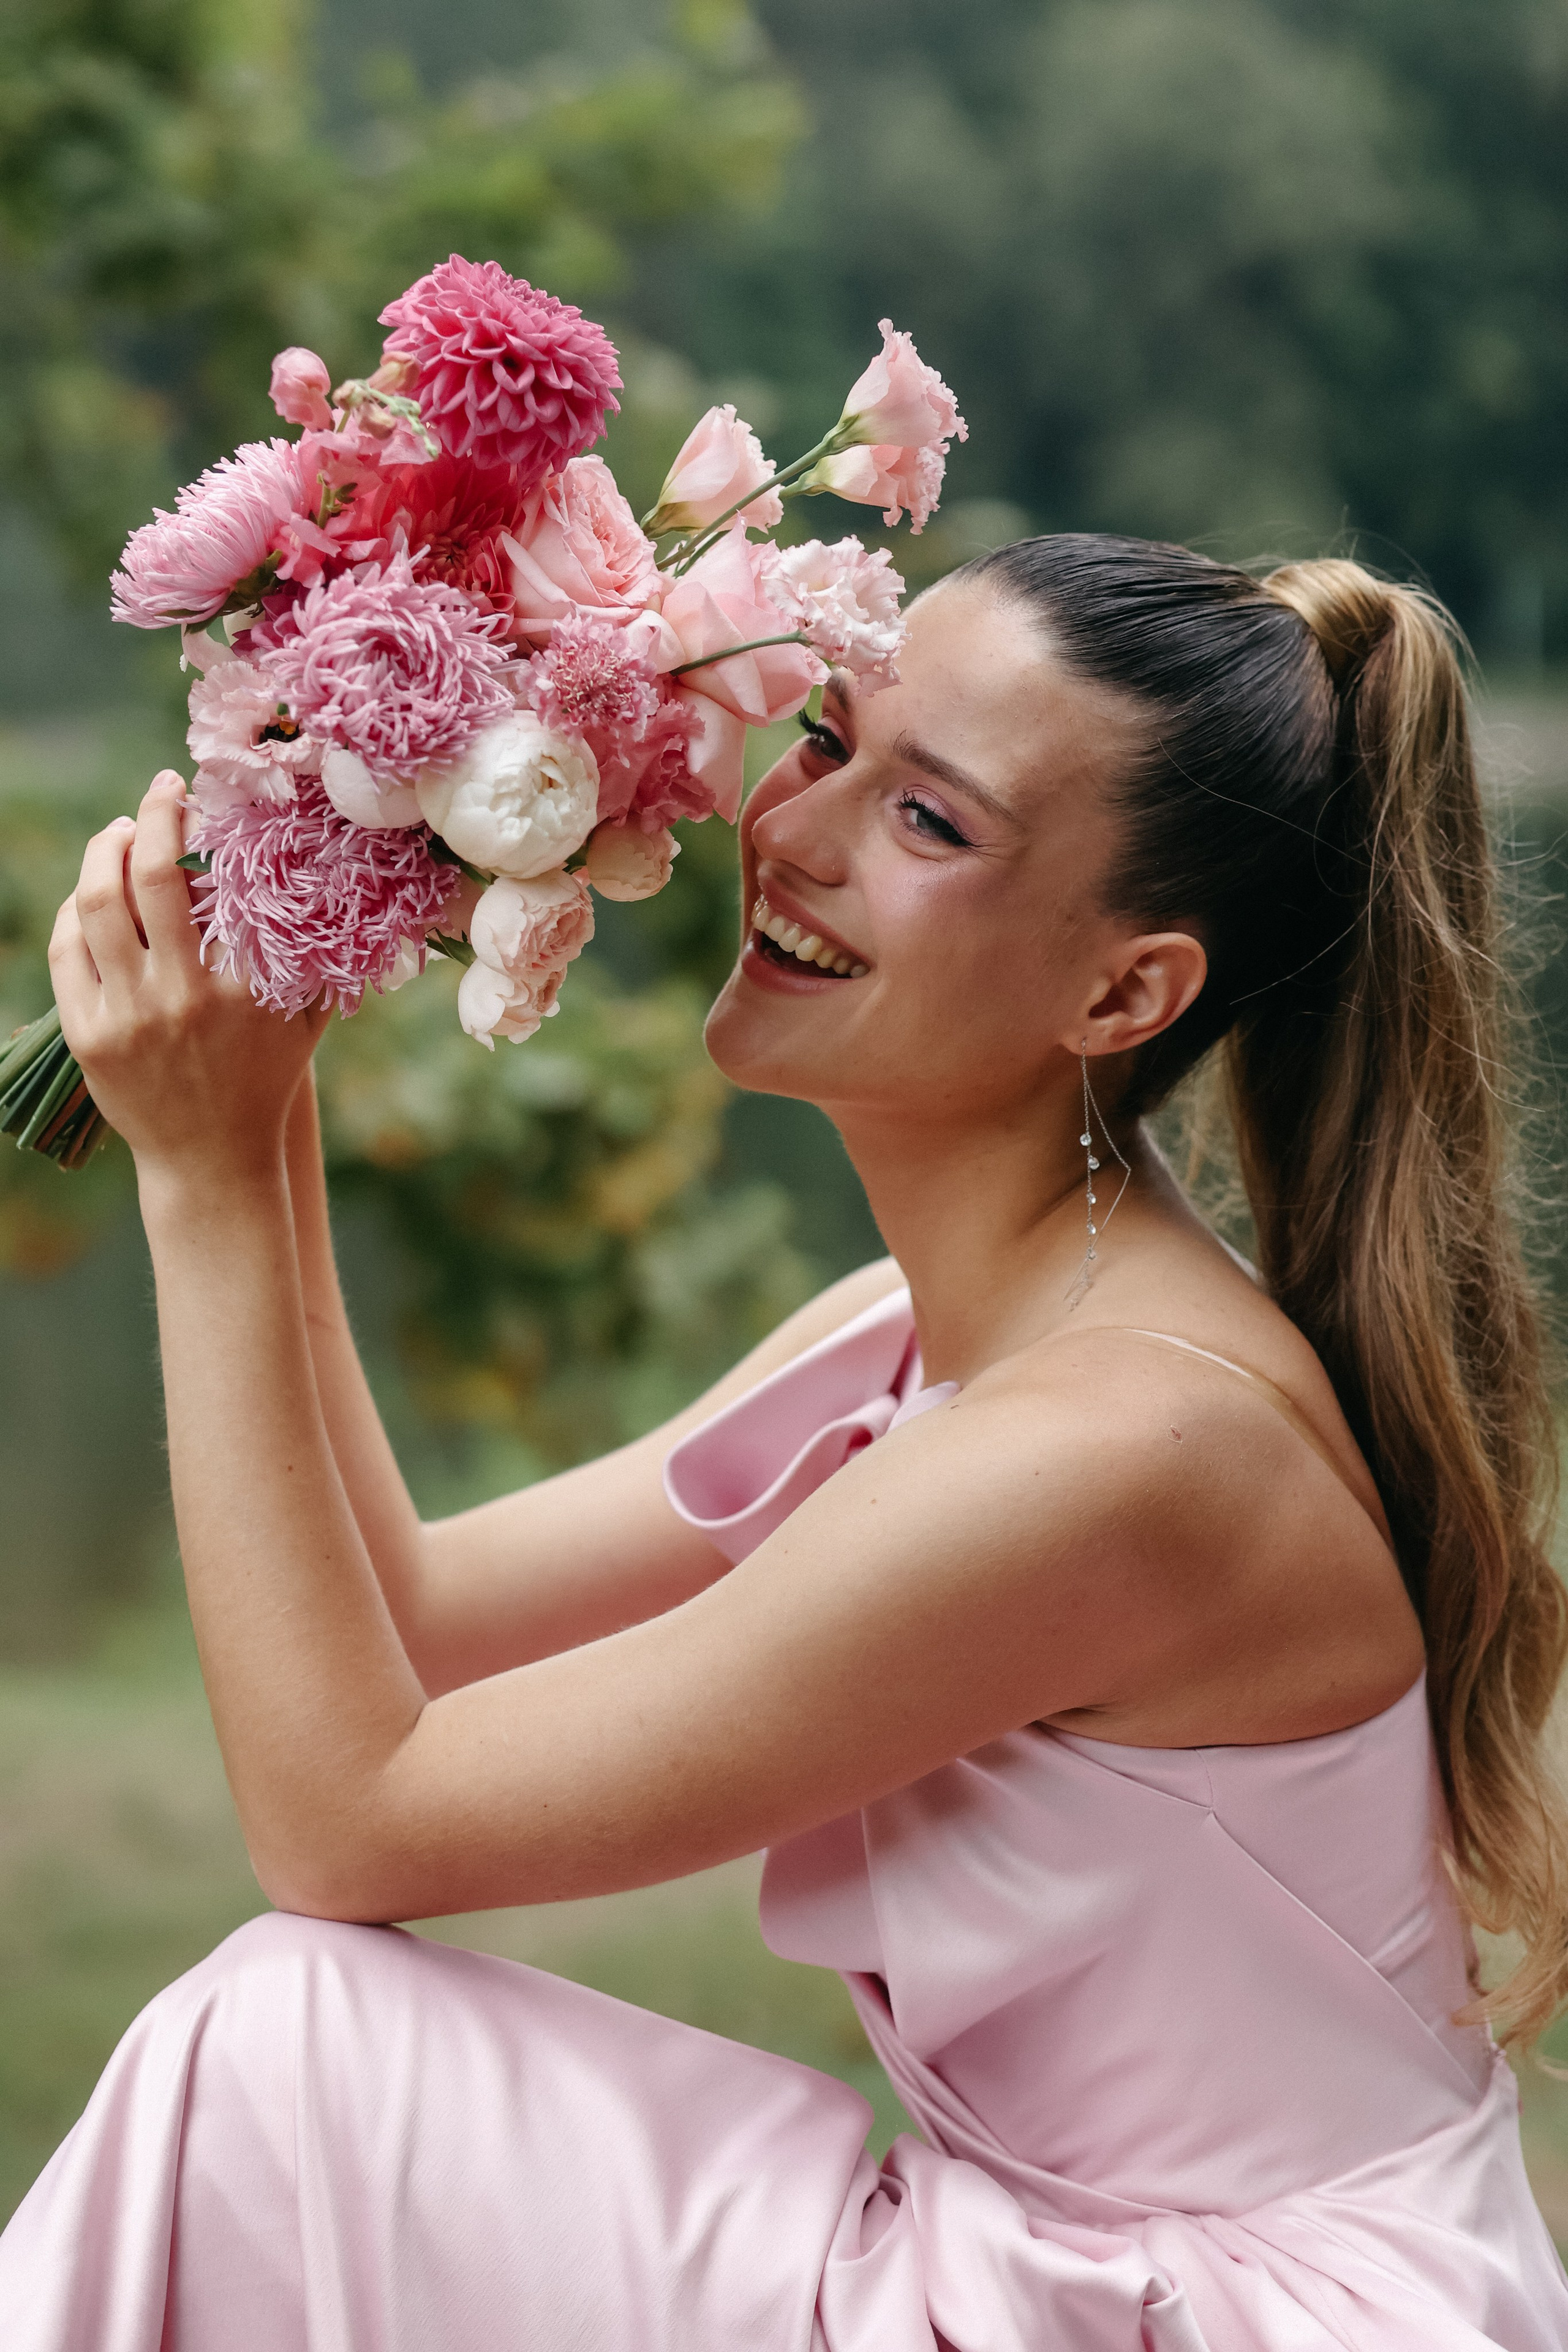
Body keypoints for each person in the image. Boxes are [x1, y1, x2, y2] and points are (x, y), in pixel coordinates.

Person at [2, 535, 1566, 2351]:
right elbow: (413, 1622)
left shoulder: (1132, 1452)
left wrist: (198, 1190)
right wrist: (257, 1096)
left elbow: (348, 1831)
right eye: (826, 736)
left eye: (932, 825)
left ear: (1124, 999)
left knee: (283, 2043)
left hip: (1223, 2318)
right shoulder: (917, 1337)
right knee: (284, 2051)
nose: (802, 831)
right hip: (1049, 2260)